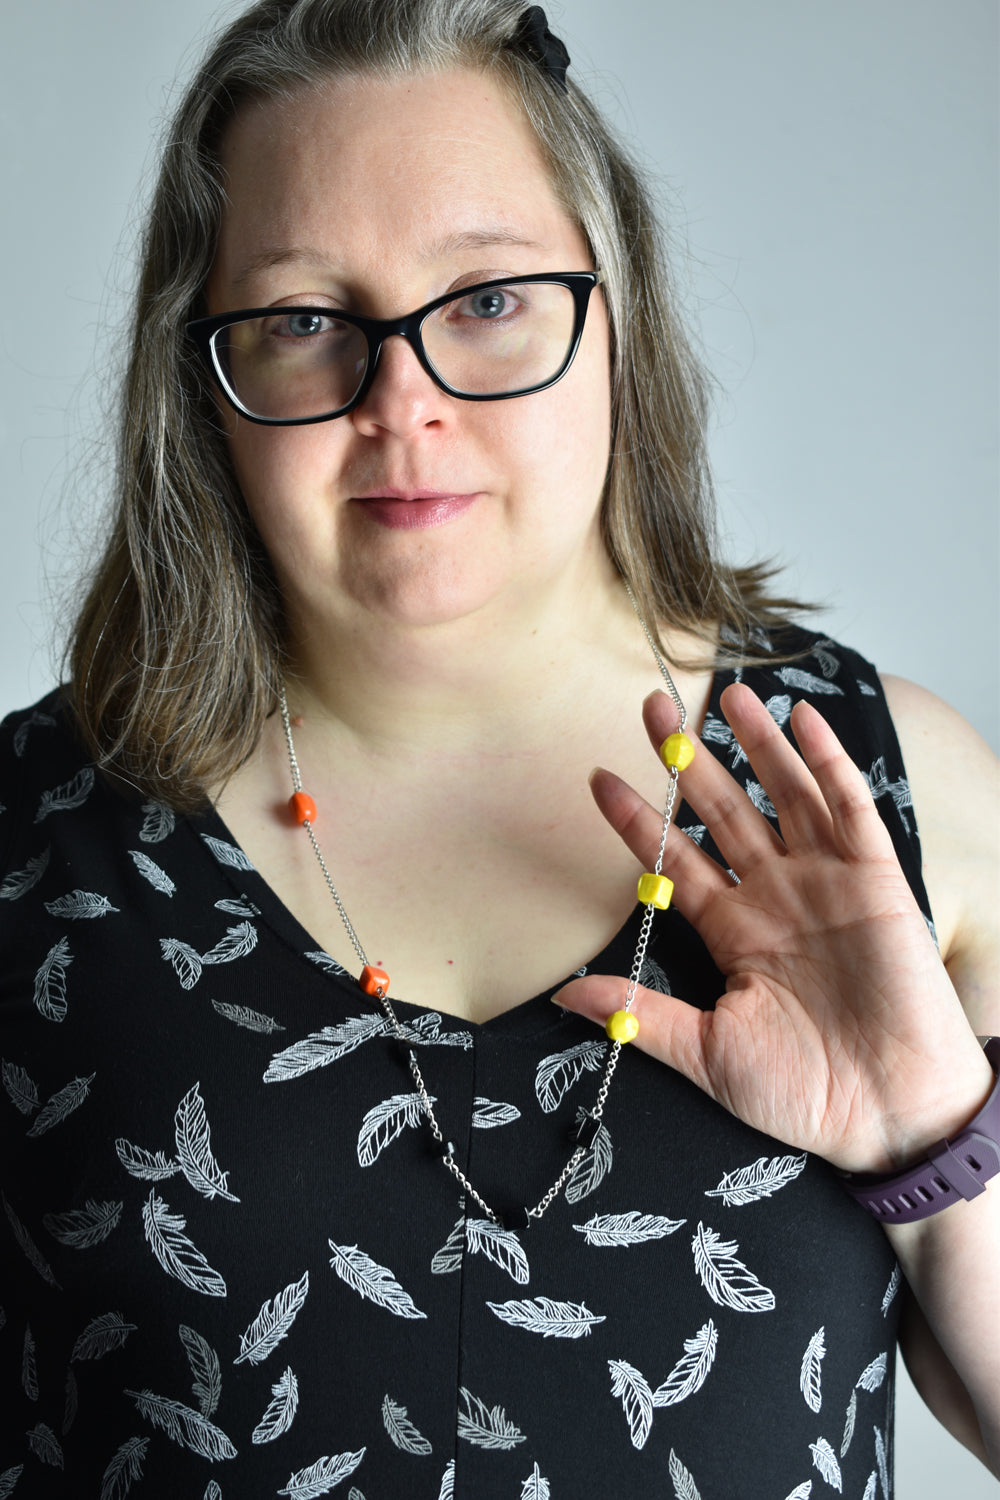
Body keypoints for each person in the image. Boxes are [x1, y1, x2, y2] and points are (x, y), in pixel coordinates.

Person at [1, 0, 996, 1494]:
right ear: (201, 388)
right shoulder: (31, 844)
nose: (401, 403)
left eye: (486, 302)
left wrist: (935, 1138)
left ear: (617, 318)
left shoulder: (889, 797)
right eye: (300, 322)